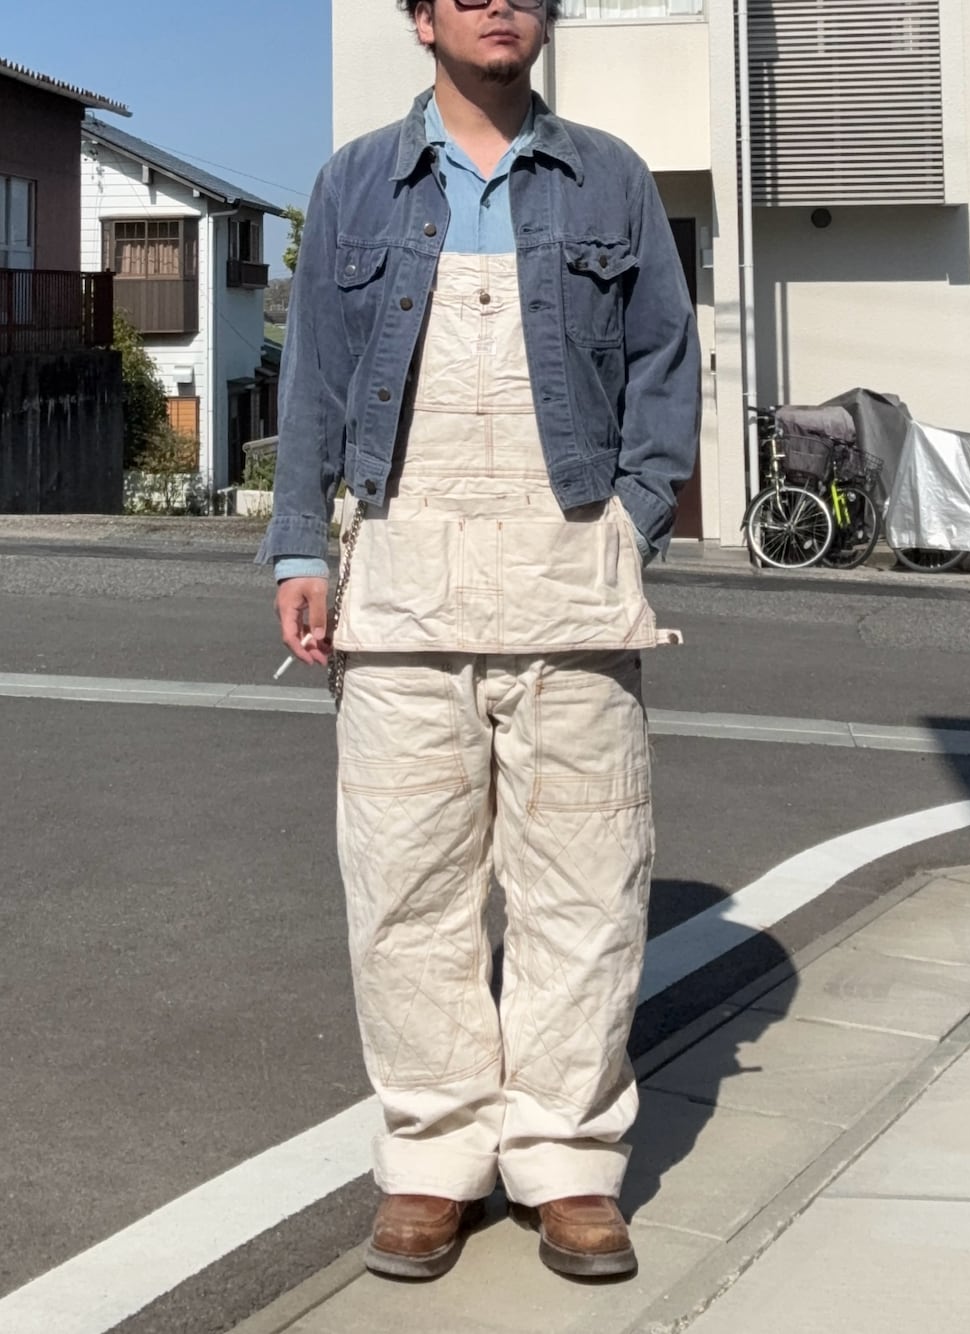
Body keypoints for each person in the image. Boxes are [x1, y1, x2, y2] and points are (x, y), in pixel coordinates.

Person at [259, 0, 700, 1282]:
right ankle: (432, 1154)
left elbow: (665, 363)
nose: (498, 3)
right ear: (421, 19)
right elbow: (315, 377)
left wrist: (629, 522)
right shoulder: (354, 183)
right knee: (407, 884)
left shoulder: (610, 176)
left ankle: (567, 1159)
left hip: (570, 565)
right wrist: (299, 547)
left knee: (585, 879)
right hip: (400, 565)